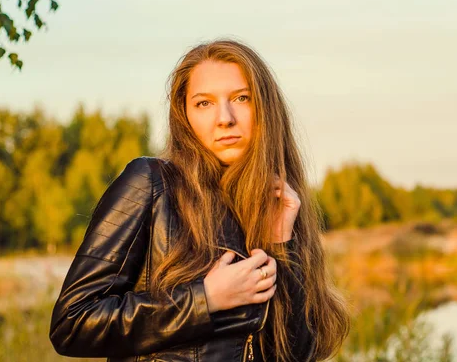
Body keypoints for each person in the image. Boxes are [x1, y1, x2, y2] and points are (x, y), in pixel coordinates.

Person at [49, 39, 350, 362]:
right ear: (185, 115)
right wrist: (205, 299)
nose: (225, 118)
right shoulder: (151, 184)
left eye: (241, 98)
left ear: (265, 108)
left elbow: (296, 355)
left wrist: (280, 243)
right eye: (204, 103)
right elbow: (72, 323)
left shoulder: (280, 205)